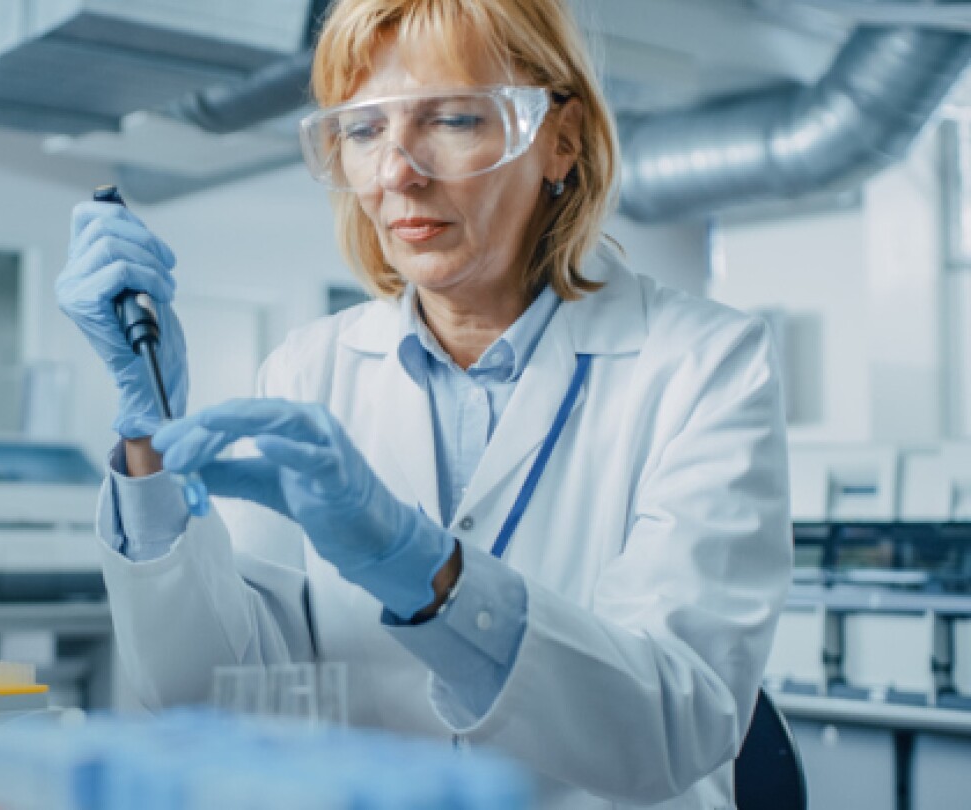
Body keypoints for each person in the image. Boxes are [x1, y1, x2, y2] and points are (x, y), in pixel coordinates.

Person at [57, 0, 791, 805]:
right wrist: (153, 438)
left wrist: (423, 571)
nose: (396, 173)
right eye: (364, 131)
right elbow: (216, 695)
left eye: (451, 119)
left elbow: (676, 724)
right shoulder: (307, 369)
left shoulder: (706, 365)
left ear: (561, 137)